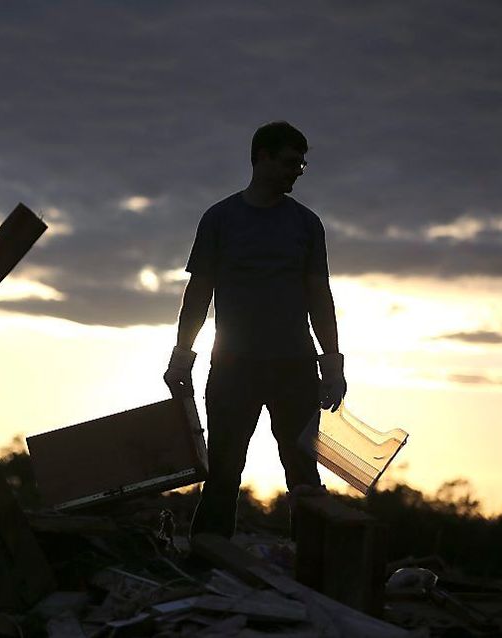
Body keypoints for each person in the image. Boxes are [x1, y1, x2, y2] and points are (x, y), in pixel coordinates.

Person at [163, 121, 346, 538]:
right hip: (233, 368)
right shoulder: (220, 219)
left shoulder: (307, 225)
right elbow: (198, 293)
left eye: (301, 165)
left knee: (303, 474)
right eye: (288, 162)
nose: (296, 171)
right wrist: (181, 357)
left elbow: (320, 296)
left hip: (295, 368)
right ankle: (209, 561)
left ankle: (312, 568)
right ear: (261, 157)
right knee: (224, 471)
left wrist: (331, 364)